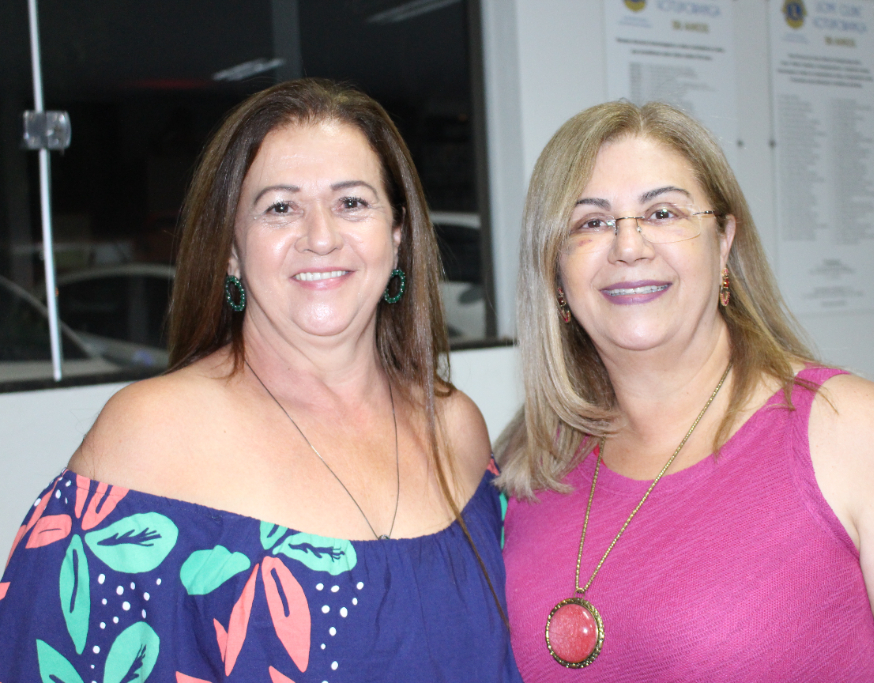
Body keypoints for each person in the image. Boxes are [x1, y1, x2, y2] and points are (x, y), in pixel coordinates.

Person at [0, 79, 521, 682]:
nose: (321, 236)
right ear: (230, 250)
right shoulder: (152, 435)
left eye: (352, 202)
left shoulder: (455, 426)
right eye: (280, 207)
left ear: (398, 236)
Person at [497, 100, 874, 681]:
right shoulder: (530, 460)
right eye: (591, 222)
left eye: (664, 212)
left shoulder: (851, 433)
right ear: (556, 270)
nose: (629, 245)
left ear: (723, 242)